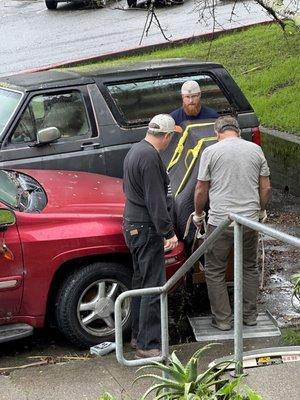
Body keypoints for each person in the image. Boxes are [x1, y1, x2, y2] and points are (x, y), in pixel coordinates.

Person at [193, 116, 271, 331]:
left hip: (220, 221)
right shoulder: (255, 150)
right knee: (249, 266)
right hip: (249, 220)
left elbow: (201, 188)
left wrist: (199, 214)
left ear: (217, 132)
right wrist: (261, 209)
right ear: (237, 131)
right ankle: (250, 316)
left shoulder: (211, 152)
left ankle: (223, 320)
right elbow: (265, 188)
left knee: (215, 270)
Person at [123, 114, 179, 358]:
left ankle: (138, 336)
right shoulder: (149, 157)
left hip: (133, 224)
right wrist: (168, 232)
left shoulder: (136, 150)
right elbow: (155, 199)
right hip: (146, 228)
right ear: (165, 136)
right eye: (171, 137)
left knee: (140, 283)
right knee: (153, 285)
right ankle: (148, 344)